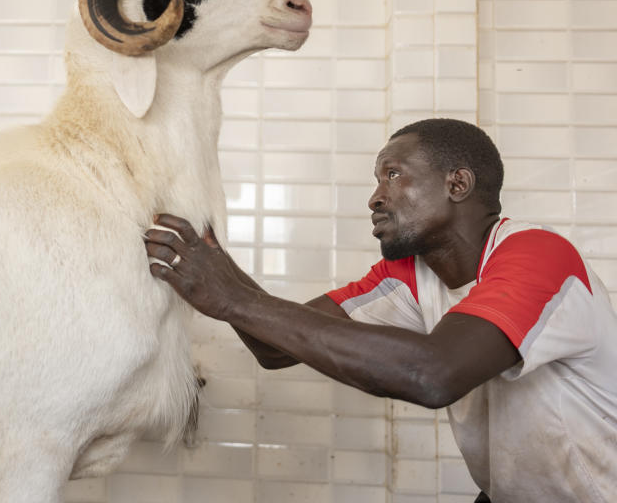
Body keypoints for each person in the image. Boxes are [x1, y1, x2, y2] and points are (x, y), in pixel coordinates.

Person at [144, 118, 617, 503]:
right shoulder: (411, 275)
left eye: (392, 174)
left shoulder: (538, 255)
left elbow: (434, 373)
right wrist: (218, 271)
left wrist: (233, 297)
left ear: (458, 183)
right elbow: (273, 347)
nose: (374, 197)